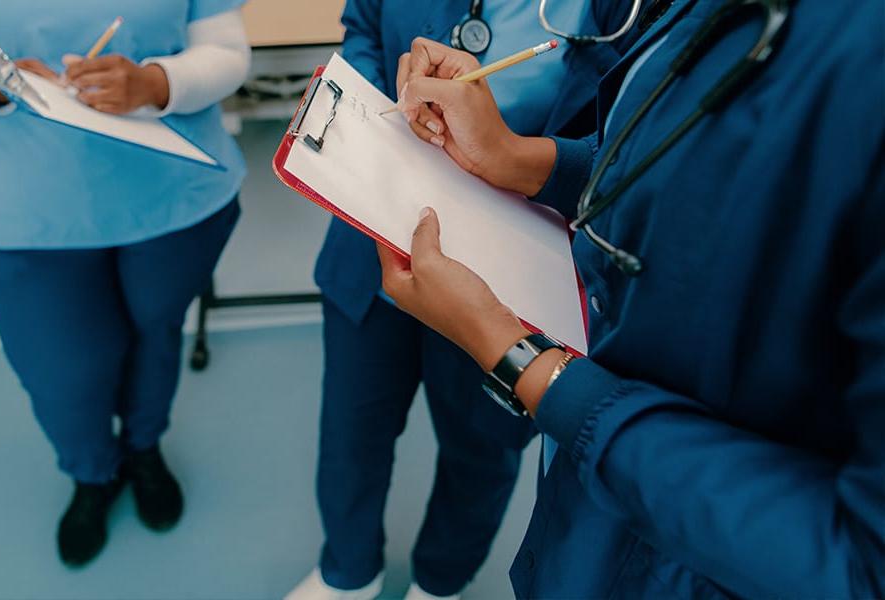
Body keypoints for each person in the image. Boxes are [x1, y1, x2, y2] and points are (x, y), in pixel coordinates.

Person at [381, 0, 885, 597]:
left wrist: (523, 360)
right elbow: (676, 150)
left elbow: (860, 569)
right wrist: (518, 159)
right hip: (596, 517)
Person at [290, 1, 646, 599]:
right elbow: (364, 30)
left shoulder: (627, 12)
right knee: (352, 424)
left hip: (512, 256)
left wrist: (519, 157)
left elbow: (630, 140)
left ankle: (439, 582)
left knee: (481, 448)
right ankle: (348, 574)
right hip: (374, 224)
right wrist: (378, 113)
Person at [0, 0, 249, 567]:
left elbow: (227, 52)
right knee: (61, 371)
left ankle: (144, 449)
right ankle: (91, 473)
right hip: (23, 206)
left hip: (172, 195)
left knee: (156, 335)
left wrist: (156, 82)